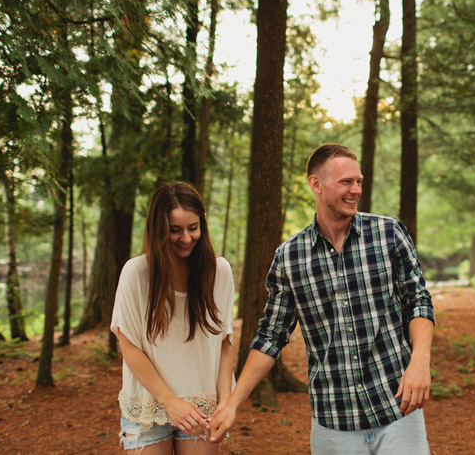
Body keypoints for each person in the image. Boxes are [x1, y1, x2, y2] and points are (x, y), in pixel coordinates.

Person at [208, 144, 435, 454]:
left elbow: (418, 301)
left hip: (397, 409)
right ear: (316, 184)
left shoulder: (388, 234)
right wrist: (233, 403)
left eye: (359, 182)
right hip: (333, 423)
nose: (355, 190)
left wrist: (420, 361)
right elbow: (270, 338)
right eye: (346, 182)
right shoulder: (289, 258)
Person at [111, 182, 235, 454]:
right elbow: (128, 345)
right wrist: (170, 402)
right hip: (147, 406)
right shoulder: (136, 273)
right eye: (174, 230)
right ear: (158, 229)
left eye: (193, 228)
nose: (186, 238)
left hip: (202, 406)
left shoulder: (220, 272)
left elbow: (225, 344)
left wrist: (226, 401)